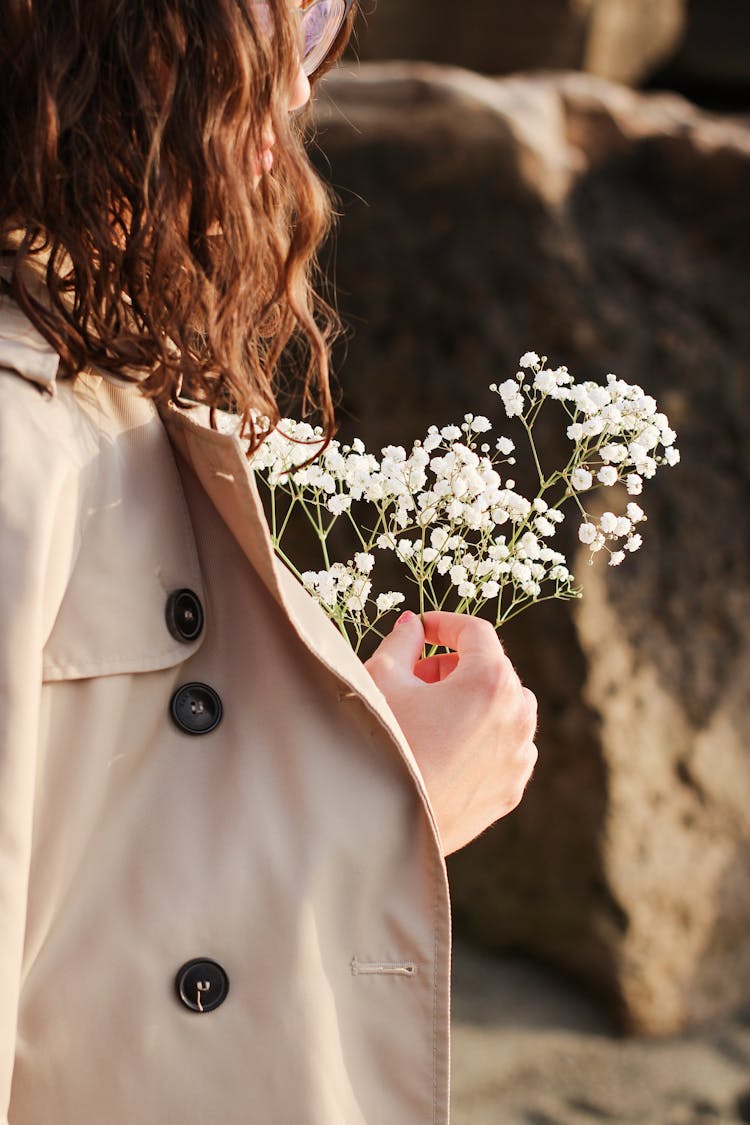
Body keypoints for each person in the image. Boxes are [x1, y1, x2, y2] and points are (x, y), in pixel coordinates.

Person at [0, 2, 537, 1122]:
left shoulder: (103, 351)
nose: (298, 92)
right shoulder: (21, 431)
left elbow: (93, 910)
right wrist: (386, 805)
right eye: (280, 21)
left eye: (326, 19)